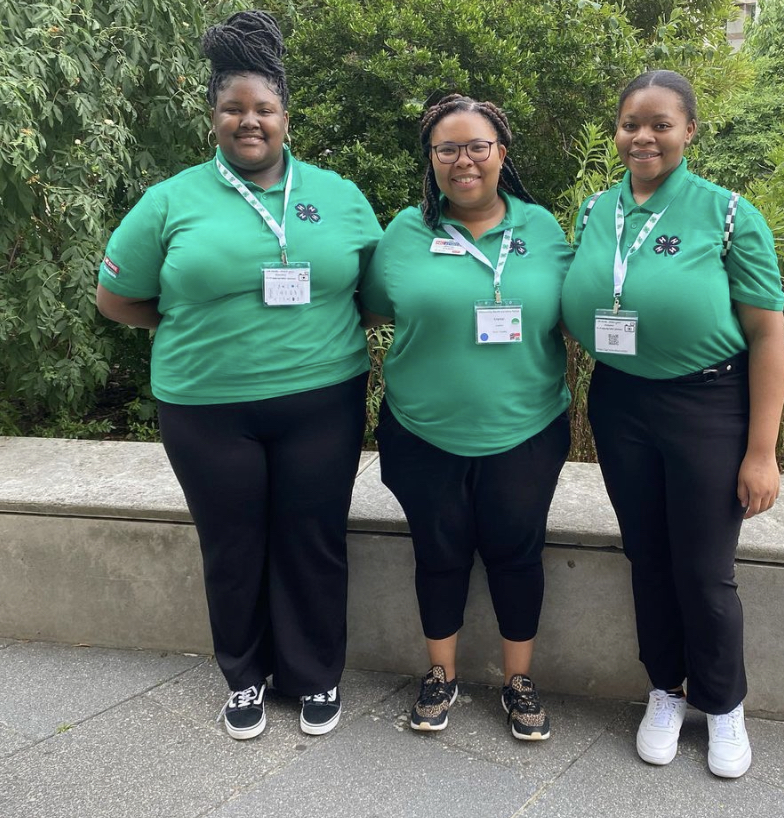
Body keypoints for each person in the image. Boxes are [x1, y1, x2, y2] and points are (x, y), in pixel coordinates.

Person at [96, 10, 382, 741]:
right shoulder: (171, 200)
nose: (249, 121)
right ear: (214, 117)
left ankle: (315, 675)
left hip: (323, 400)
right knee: (231, 542)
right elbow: (116, 298)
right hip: (205, 405)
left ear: (286, 115)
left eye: (264, 109)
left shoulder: (339, 194)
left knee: (312, 537)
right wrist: (191, 326)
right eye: (233, 109)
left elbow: (374, 292)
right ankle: (245, 677)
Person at [561, 70, 784, 778]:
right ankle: (665, 688)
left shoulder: (726, 214)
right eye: (631, 123)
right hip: (621, 401)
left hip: (708, 405)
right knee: (647, 556)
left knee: (704, 568)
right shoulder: (597, 208)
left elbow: (769, 336)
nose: (644, 137)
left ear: (690, 130)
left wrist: (762, 452)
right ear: (617, 131)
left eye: (661, 124)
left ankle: (722, 705)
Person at [360, 94, 572, 741]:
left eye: (477, 145)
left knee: (517, 552)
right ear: (431, 159)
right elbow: (368, 309)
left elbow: (578, 311)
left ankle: (518, 681)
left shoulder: (542, 230)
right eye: (447, 148)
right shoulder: (404, 231)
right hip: (423, 432)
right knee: (438, 552)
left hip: (526, 430)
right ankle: (441, 674)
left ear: (501, 153)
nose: (463, 160)